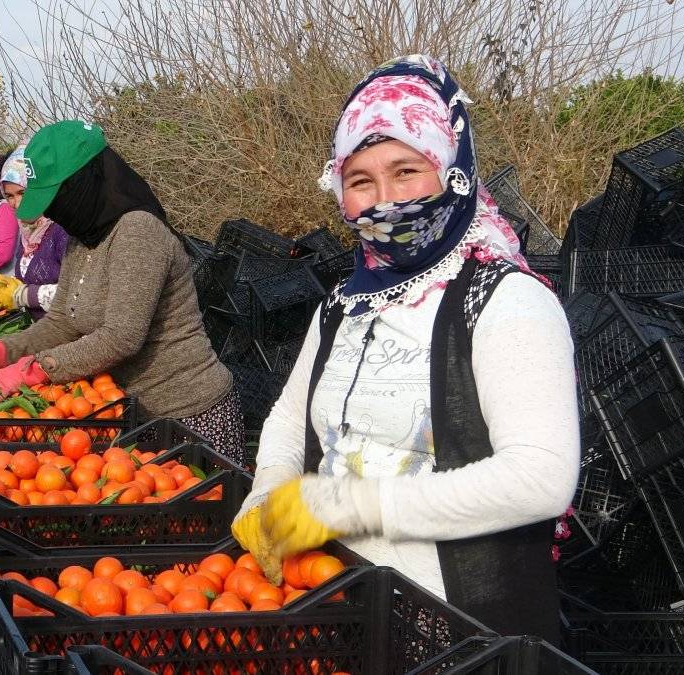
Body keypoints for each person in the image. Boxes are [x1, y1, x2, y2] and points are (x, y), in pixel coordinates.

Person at [230, 55, 578, 641]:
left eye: (407, 171)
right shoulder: (344, 302)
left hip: (458, 626)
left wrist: (349, 506)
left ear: (451, 170)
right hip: (335, 596)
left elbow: (540, 478)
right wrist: (268, 490)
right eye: (361, 181)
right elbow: (290, 418)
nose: (384, 200)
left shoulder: (505, 302)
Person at [0, 120, 245, 461]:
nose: (50, 211)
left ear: (83, 183)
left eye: (55, 198)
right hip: (130, 413)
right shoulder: (82, 239)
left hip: (189, 413)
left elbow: (122, 336)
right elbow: (62, 322)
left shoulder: (138, 232)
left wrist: (33, 369)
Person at [0, 145, 69, 319]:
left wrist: (23, 296)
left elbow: (80, 296)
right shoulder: (28, 235)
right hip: (36, 332)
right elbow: (26, 282)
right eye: (9, 195)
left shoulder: (63, 232)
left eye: (22, 192)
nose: (16, 203)